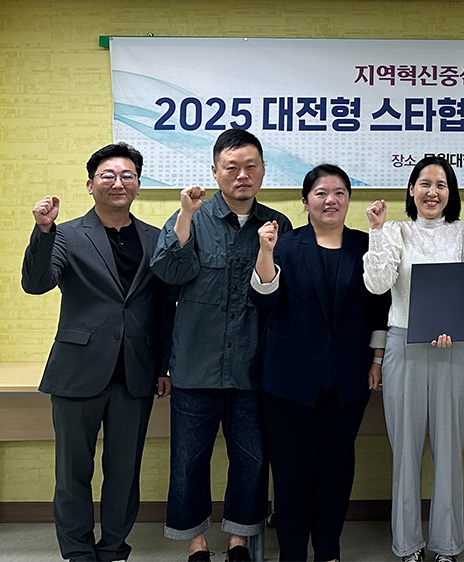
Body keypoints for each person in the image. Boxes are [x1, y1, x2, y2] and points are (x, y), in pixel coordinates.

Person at [21, 143, 175, 562]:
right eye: (107, 175)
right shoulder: (66, 233)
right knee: (73, 471)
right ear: (90, 185)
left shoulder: (155, 237)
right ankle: (77, 551)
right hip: (78, 369)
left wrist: (163, 365)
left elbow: (163, 309)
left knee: (124, 471)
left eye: (127, 175)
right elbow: (37, 283)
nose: (118, 182)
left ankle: (113, 548)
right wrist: (43, 231)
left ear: (139, 185)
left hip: (136, 372)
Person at [151, 129, 293, 562]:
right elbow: (168, 274)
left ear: (264, 171)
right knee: (189, 460)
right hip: (195, 364)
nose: (242, 175)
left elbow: (280, 297)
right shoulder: (191, 217)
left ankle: (238, 542)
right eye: (231, 167)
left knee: (250, 459)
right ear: (215, 171)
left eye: (251, 166)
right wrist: (184, 217)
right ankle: (196, 544)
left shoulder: (277, 226)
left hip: (252, 367)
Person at [249, 164, 389, 562]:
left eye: (340, 193)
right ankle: (292, 552)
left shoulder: (365, 245)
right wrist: (265, 251)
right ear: (305, 200)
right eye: (322, 193)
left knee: (336, 471)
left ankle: (328, 550)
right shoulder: (285, 244)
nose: (331, 200)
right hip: (288, 381)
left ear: (349, 199)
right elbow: (264, 299)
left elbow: (381, 307)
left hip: (347, 379)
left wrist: (376, 358)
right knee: (292, 474)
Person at [363, 156, 464, 562]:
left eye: (442, 185)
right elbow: (377, 284)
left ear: (451, 193)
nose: (433, 192)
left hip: (453, 350)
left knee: (450, 449)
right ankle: (408, 544)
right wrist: (377, 233)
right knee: (406, 449)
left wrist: (451, 322)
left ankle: (447, 545)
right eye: (425, 183)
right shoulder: (394, 231)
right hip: (404, 348)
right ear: (412, 189)